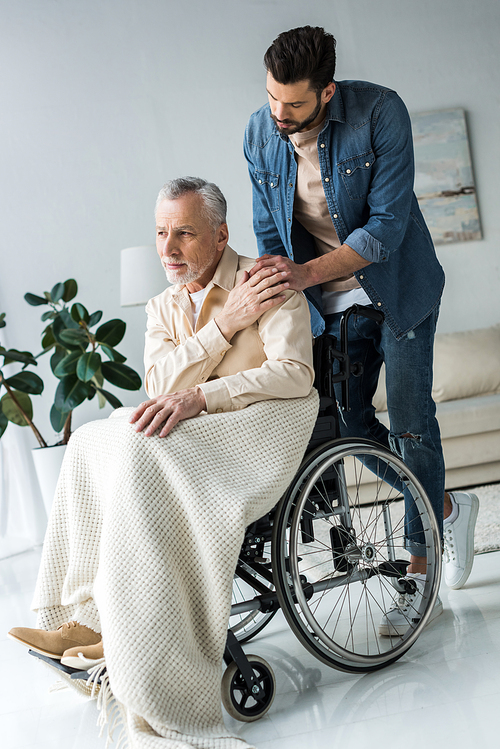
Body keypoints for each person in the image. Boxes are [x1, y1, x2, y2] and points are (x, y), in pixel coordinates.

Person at [8, 177, 319, 749]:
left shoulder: (267, 282)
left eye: (184, 233)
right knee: (89, 442)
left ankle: (139, 650)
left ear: (221, 235)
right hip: (194, 434)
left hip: (258, 429)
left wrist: (203, 394)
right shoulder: (163, 305)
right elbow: (158, 386)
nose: (167, 249)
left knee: (140, 447)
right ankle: (87, 619)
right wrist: (225, 328)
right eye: (160, 232)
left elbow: (295, 374)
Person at [243, 25, 479, 635]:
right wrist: (280, 295)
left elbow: (384, 230)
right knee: (350, 424)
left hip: (401, 290)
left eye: (293, 103)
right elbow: (271, 237)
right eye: (272, 97)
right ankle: (447, 506)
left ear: (327, 93)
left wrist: (301, 273)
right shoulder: (258, 134)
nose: (279, 113)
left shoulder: (380, 111)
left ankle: (416, 578)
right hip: (328, 302)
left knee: (409, 422)